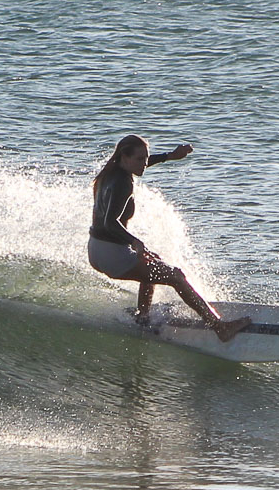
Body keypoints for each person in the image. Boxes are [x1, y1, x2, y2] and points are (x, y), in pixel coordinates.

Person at [88, 135, 251, 342]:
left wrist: (169, 156)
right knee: (176, 277)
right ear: (124, 157)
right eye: (140, 159)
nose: (145, 164)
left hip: (96, 249)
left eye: (146, 158)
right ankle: (220, 327)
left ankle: (142, 317)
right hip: (112, 253)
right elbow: (110, 223)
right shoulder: (123, 183)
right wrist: (134, 241)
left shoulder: (110, 172)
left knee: (153, 260)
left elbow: (140, 164)